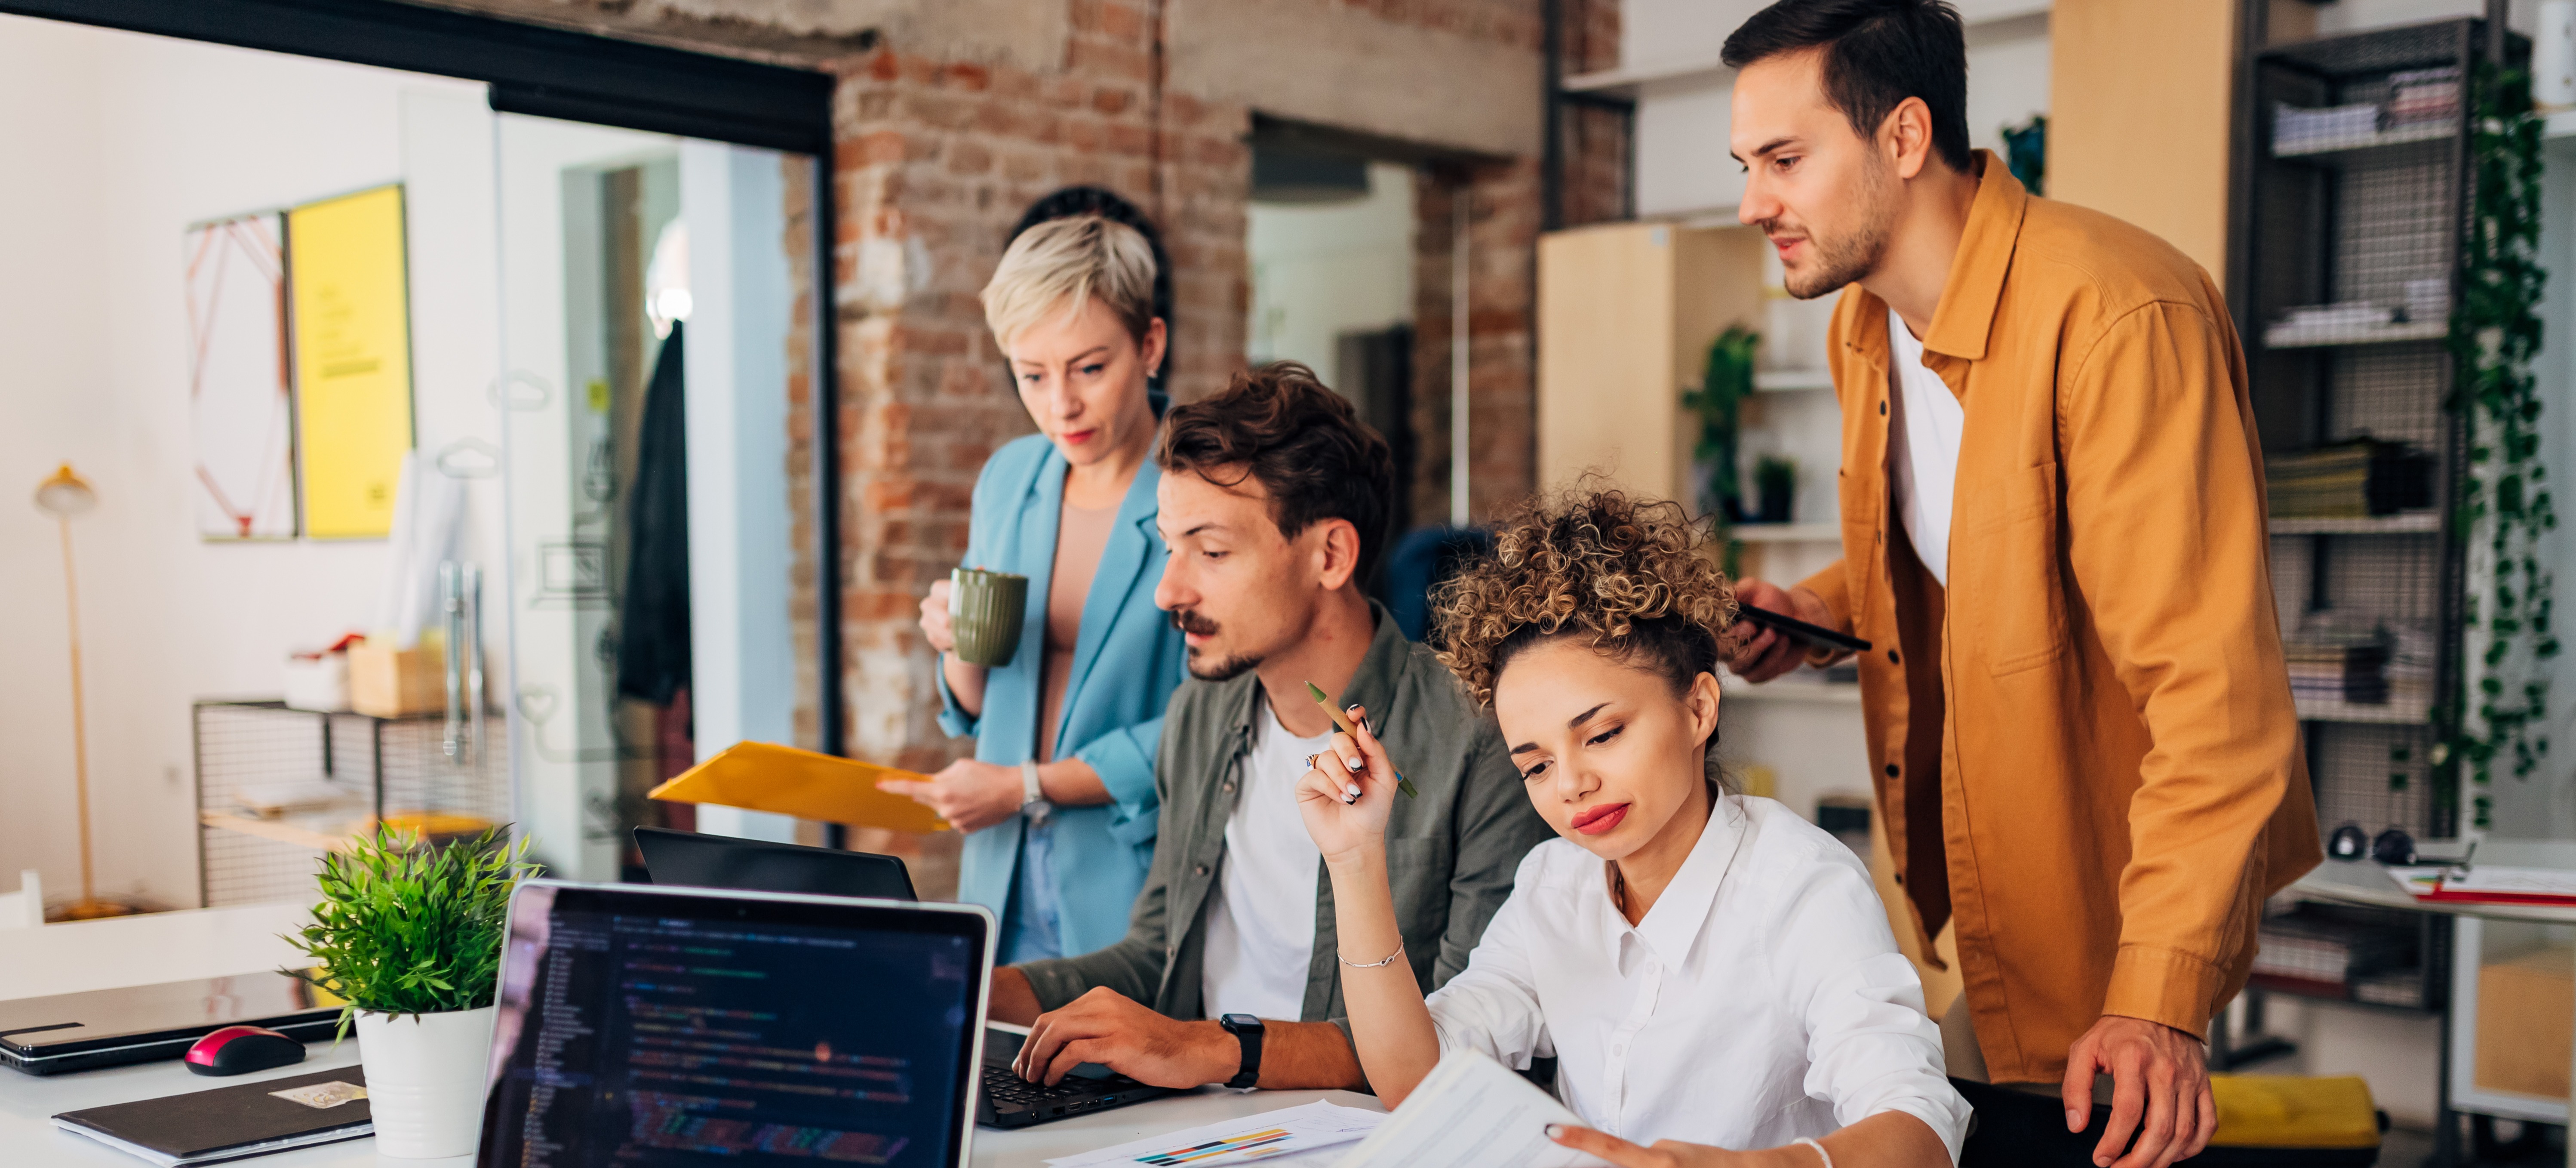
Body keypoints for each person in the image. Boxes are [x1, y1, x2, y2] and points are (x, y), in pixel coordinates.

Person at [1716, 3, 2321, 1166]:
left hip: (2115, 899)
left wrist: (2157, 1000)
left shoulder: (2116, 315)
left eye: (1783, 160)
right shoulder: (1863, 327)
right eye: (1745, 166)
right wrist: (1822, 608)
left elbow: (2214, 694)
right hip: (1976, 888)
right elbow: (1974, 538)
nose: (1752, 203)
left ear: (1903, 136)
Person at [1297, 489, 1969, 1168]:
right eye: (1535, 767)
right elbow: (1417, 1080)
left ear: (1698, 708)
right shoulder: (1551, 885)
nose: (1570, 785)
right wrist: (1353, 859)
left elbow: (1919, 1127)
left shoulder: (1802, 888)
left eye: (1602, 735)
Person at [994, 363, 1554, 1092]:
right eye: (1168, 546)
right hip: (1202, 1121)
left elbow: (1465, 1038)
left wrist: (1211, 1048)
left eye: (1211, 552)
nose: (1168, 591)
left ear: (1330, 556)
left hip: (1370, 1133)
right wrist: (974, 985)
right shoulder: (1200, 713)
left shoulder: (1479, 734)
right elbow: (1158, 952)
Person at [883, 208, 1188, 964]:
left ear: (1149, 346)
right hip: (1002, 865)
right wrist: (956, 642)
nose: (1061, 405)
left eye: (1089, 368)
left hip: (1133, 871)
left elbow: (1212, 723)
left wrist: (1024, 785)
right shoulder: (1010, 477)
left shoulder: (1201, 489)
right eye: (1032, 375)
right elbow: (976, 706)